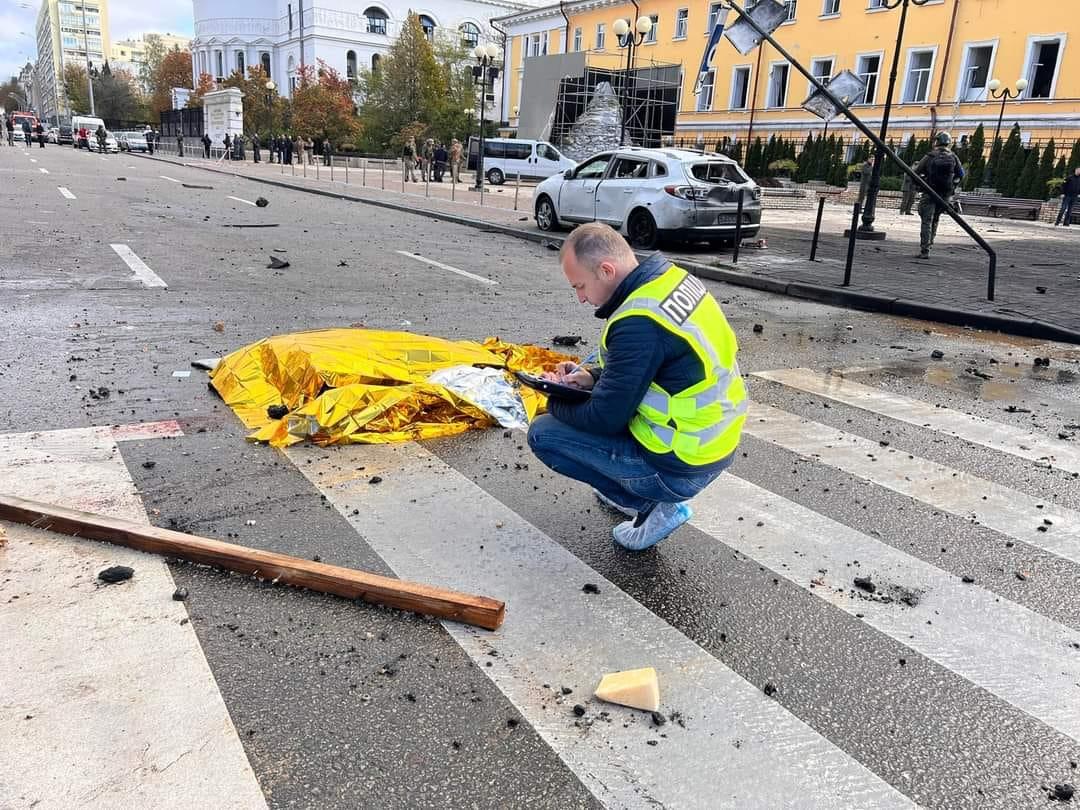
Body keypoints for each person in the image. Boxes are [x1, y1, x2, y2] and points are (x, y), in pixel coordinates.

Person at [526, 222, 747, 551]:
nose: (581, 298)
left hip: (680, 462)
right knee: (578, 419)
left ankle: (652, 505)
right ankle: (640, 491)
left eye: (581, 286)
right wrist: (592, 377)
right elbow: (661, 366)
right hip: (713, 440)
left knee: (544, 433)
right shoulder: (671, 280)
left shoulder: (637, 322)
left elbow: (604, 417)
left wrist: (551, 398)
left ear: (605, 269)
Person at [914, 132, 964, 259]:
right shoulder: (953, 156)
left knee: (926, 220)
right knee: (935, 219)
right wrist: (953, 186)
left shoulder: (930, 156)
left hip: (930, 192)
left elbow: (916, 172)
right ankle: (930, 244)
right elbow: (961, 174)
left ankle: (924, 250)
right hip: (945, 194)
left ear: (936, 141)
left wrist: (921, 184)